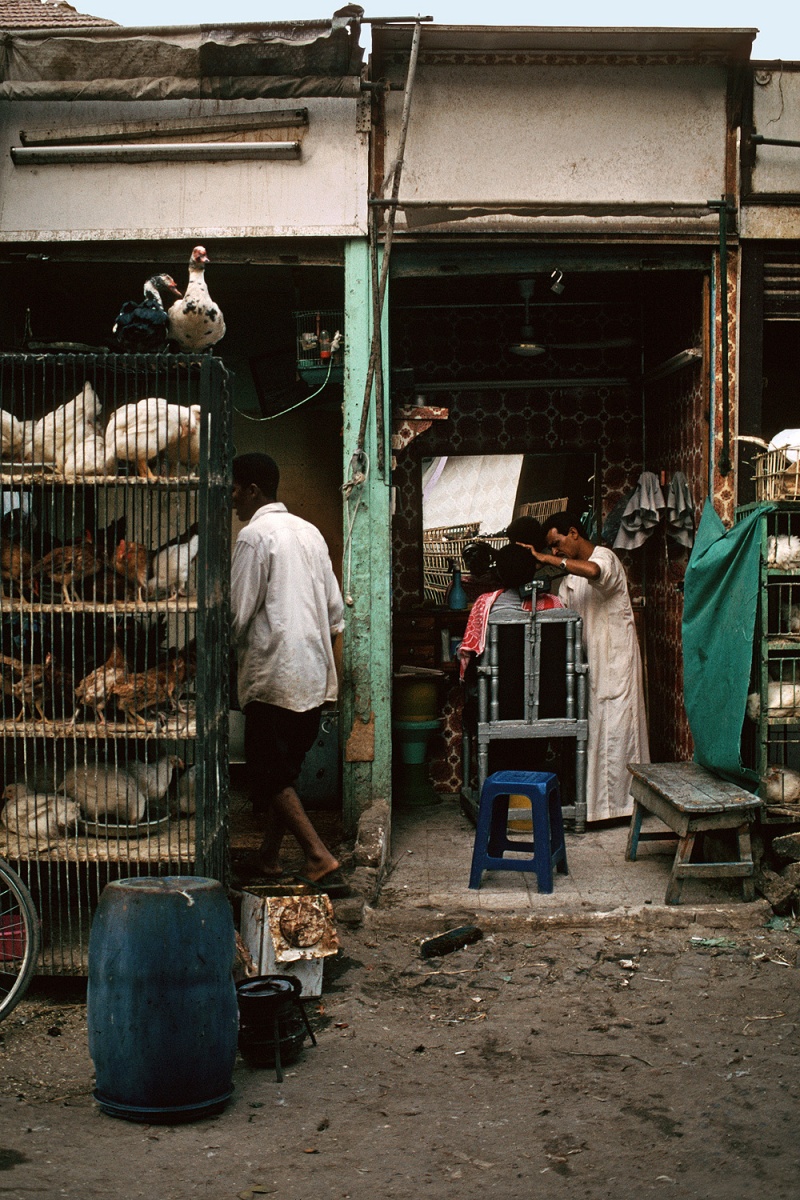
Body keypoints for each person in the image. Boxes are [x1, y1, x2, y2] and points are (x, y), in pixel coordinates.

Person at [230, 452, 344, 882]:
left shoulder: (253, 537)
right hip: (312, 675)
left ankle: (318, 857)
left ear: (252, 490)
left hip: (274, 676)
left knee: (267, 775)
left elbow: (237, 614)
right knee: (284, 774)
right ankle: (269, 857)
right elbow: (335, 613)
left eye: (234, 490)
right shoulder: (310, 533)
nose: (231, 499)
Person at [526, 511, 649, 822]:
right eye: (552, 549)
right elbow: (562, 614)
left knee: (619, 731)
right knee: (594, 733)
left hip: (616, 661)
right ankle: (595, 809)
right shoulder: (569, 581)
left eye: (557, 543)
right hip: (590, 664)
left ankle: (625, 807)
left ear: (573, 532)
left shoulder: (605, 558)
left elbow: (594, 572)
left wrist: (549, 559)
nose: (556, 551)